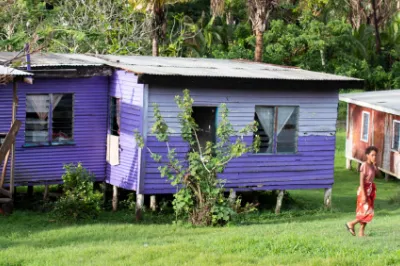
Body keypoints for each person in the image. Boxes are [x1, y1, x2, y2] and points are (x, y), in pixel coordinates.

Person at [345, 146, 378, 237]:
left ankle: (361, 232)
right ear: (367, 155)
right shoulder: (364, 165)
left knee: (367, 212)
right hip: (364, 190)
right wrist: (363, 194)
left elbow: (378, 176)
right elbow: (361, 181)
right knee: (367, 212)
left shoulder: (372, 166)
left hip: (370, 190)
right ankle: (351, 223)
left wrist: (376, 166)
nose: (374, 157)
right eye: (372, 155)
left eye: (375, 155)